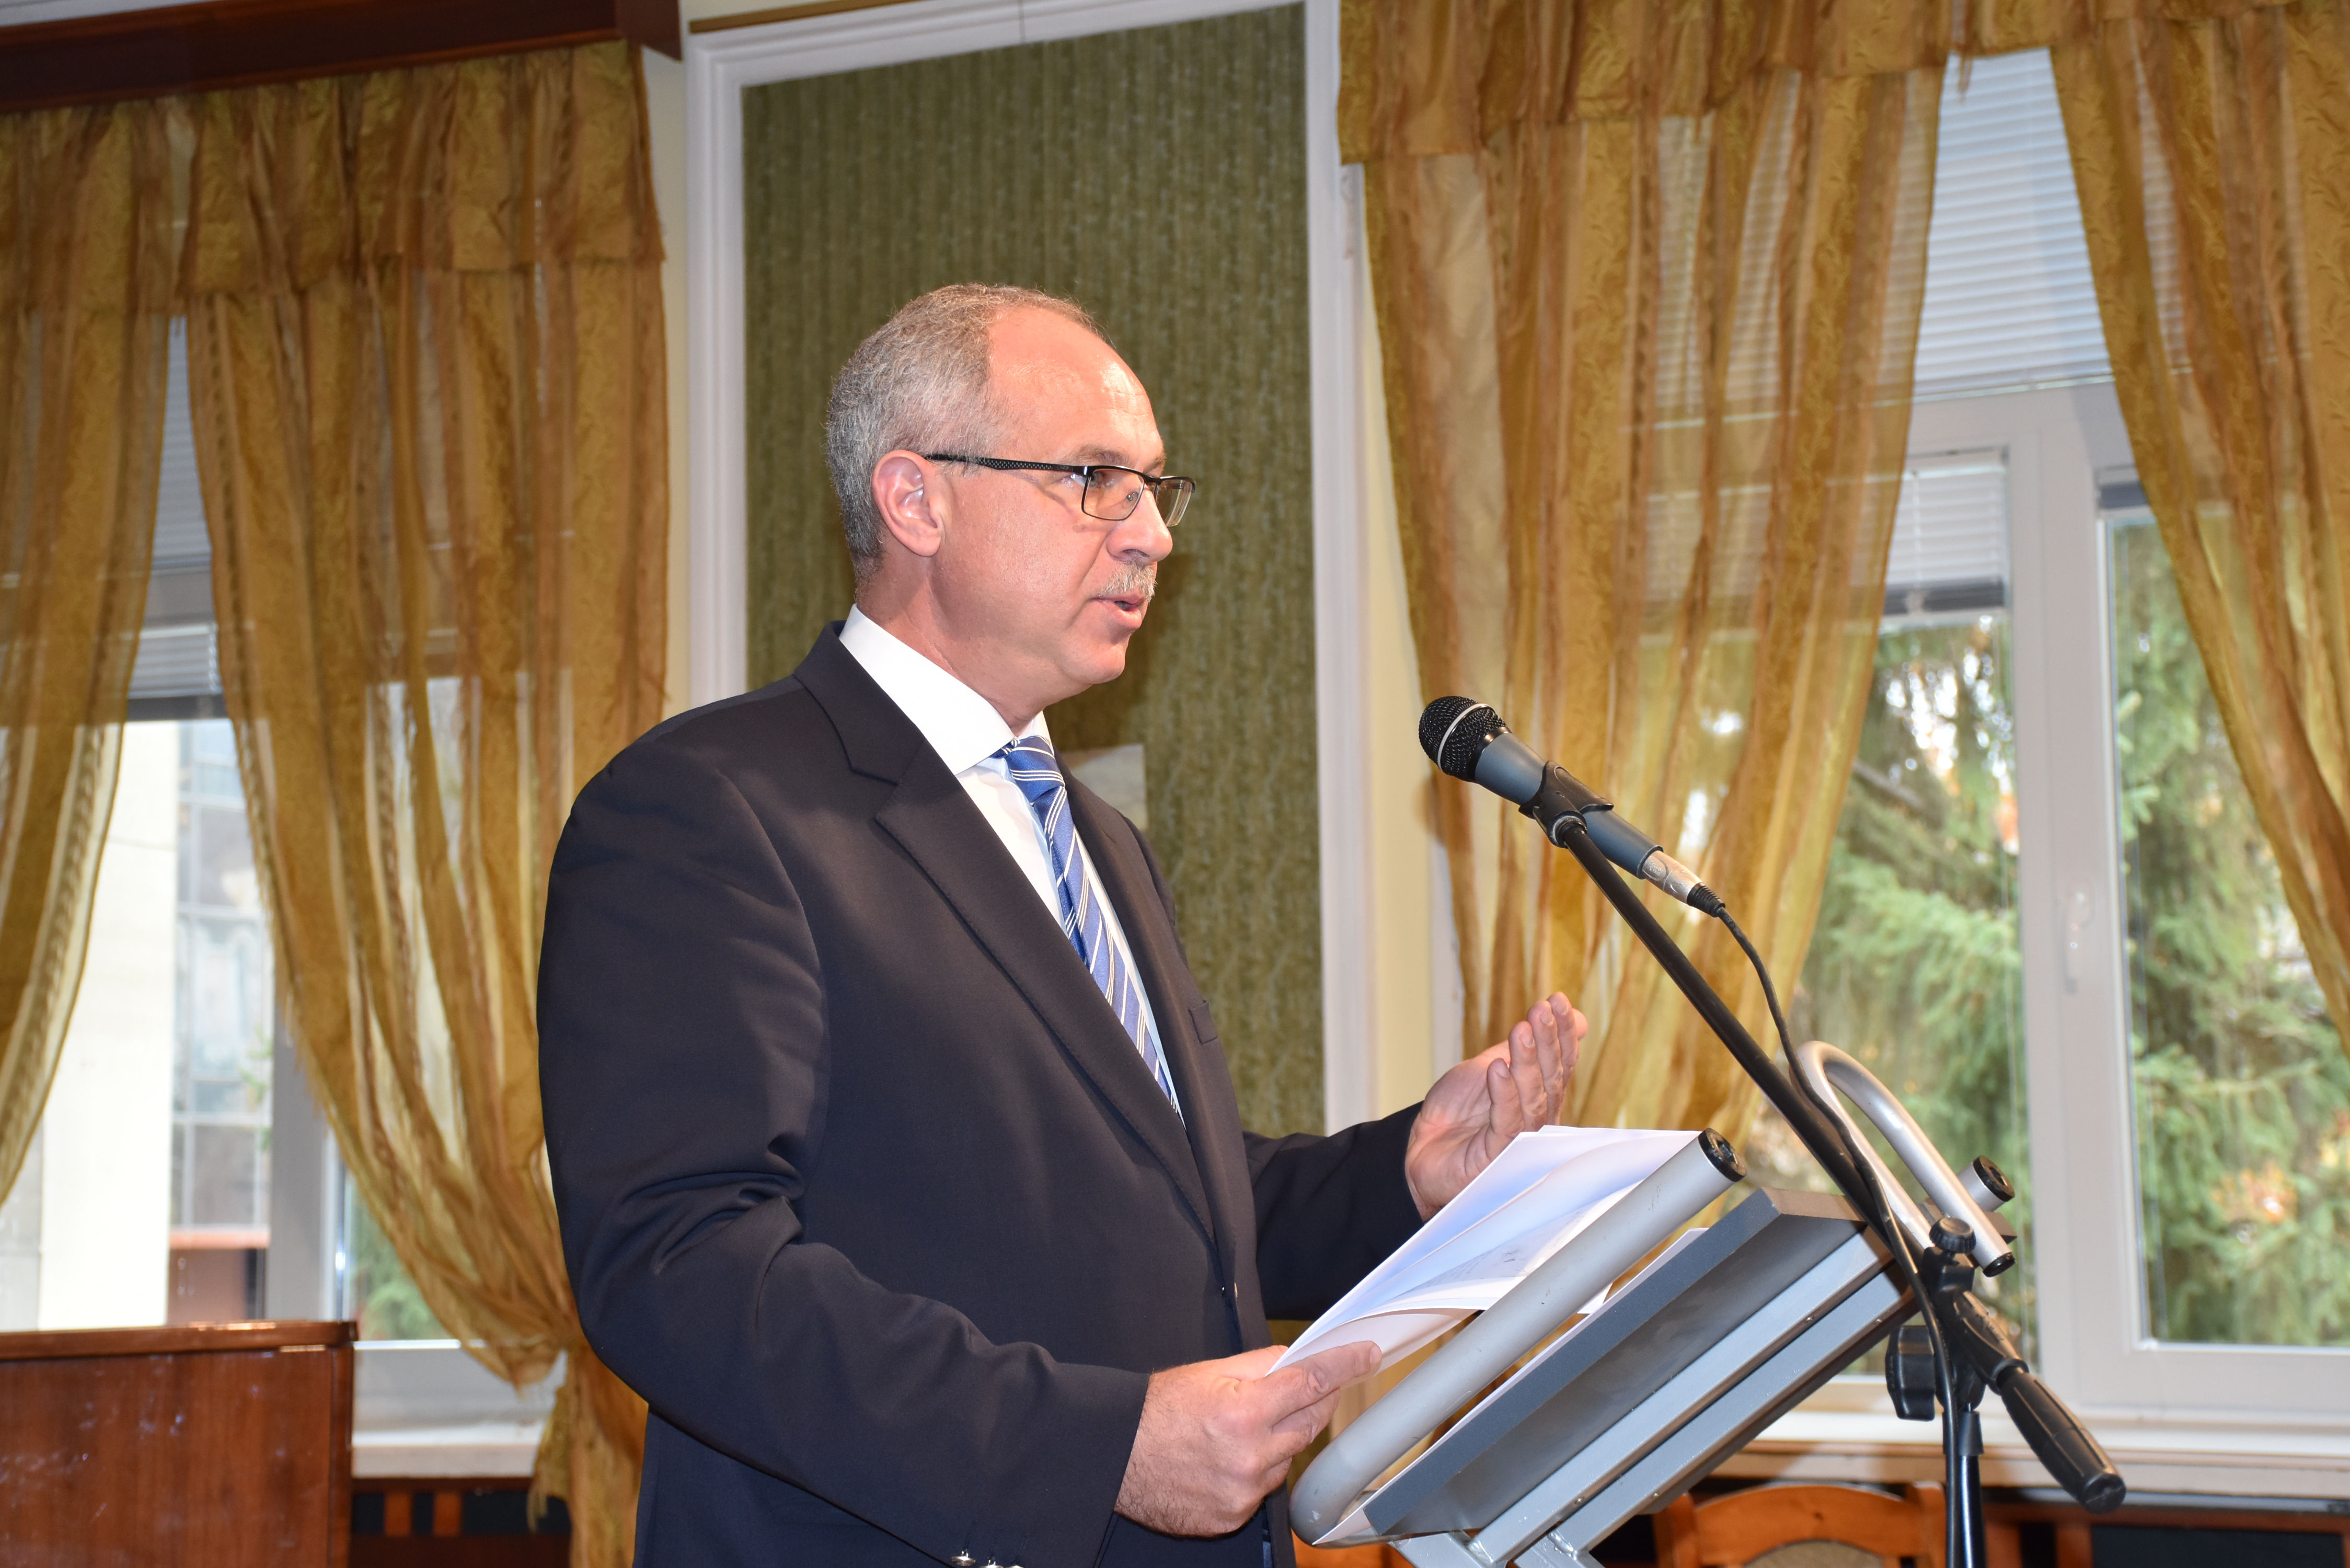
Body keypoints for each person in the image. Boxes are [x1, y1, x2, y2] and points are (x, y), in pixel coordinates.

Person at [538, 284, 1586, 1567]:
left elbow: (1154, 1204)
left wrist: (1403, 1178)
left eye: (1154, 489)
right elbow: (682, 1268)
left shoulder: (1097, 839)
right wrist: (1099, 1449)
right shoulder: (710, 807)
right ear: (914, 500)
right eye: (1095, 481)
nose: (1151, 536)